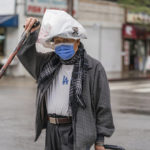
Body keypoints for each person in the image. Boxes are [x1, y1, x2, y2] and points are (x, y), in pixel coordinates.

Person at [17, 9, 115, 150]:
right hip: (52, 129)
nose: (61, 45)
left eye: (66, 40)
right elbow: (25, 53)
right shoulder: (47, 64)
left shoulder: (94, 67)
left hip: (75, 130)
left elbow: (102, 106)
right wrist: (32, 32)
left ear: (77, 40)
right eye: (58, 41)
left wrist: (99, 142)